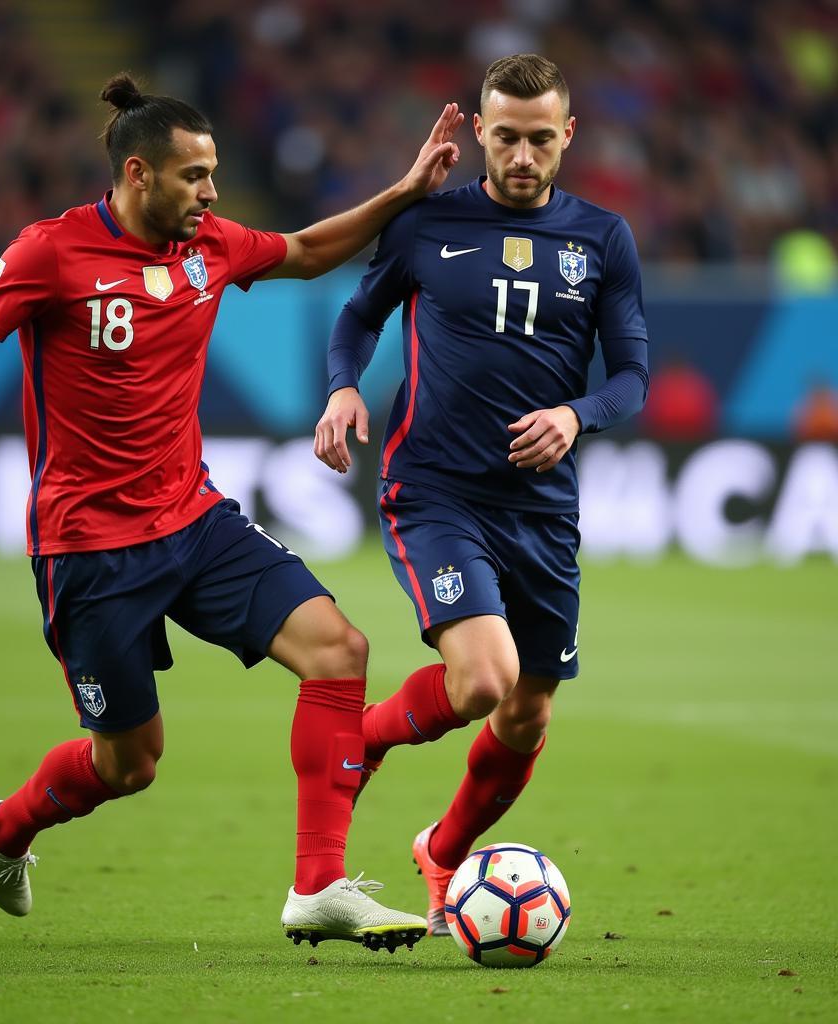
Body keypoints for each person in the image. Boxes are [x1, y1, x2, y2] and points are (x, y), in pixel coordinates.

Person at [0, 73, 465, 953]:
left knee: (341, 648)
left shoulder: (210, 245)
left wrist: (404, 192)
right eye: (194, 176)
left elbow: (304, 250)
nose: (212, 193)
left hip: (195, 518)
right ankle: (5, 831)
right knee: (127, 764)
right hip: (87, 549)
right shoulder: (50, 252)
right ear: (138, 174)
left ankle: (319, 884)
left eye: (214, 174)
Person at [314, 53, 650, 936]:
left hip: (541, 509)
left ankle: (443, 851)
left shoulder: (603, 239)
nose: (523, 156)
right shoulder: (429, 223)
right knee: (484, 678)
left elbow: (634, 377)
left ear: (567, 135)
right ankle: (369, 740)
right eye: (506, 138)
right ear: (480, 133)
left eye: (542, 139)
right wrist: (344, 384)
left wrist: (578, 417)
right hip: (435, 491)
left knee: (527, 712)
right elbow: (357, 316)